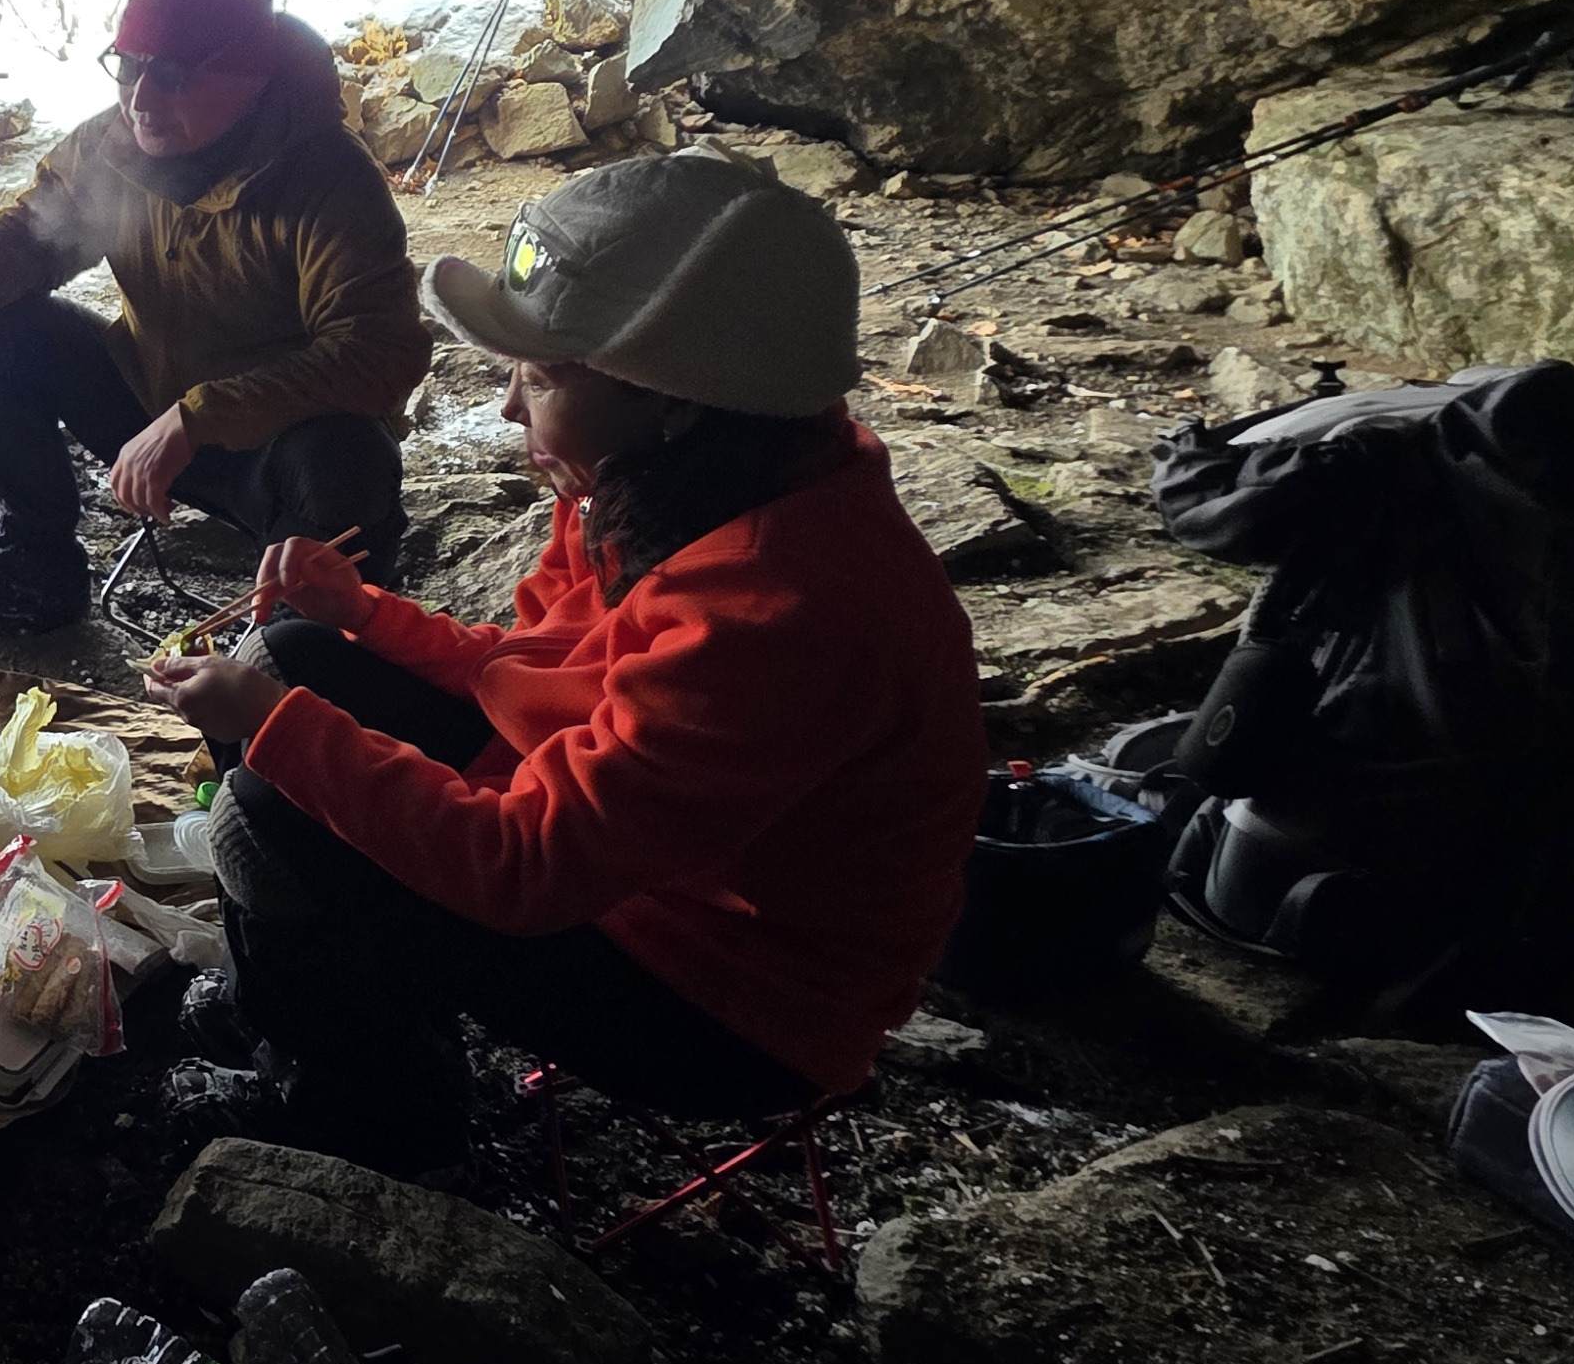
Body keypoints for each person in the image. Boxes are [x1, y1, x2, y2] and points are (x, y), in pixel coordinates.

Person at [142, 152, 983, 1180]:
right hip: (626, 862)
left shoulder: (777, 609)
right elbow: (531, 672)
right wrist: (360, 612)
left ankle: (368, 1118)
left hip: (722, 995)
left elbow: (526, 866)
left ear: (671, 400)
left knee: (268, 811)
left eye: (538, 378)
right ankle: (317, 997)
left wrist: (276, 727)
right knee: (291, 653)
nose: (507, 406)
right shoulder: (669, 484)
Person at [0, 0, 429, 632]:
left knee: (351, 455)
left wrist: (198, 417)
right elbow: (32, 238)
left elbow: (378, 354)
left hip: (278, 451)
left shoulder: (327, 179)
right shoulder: (114, 149)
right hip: (149, 409)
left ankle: (304, 630)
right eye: (128, 67)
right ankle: (31, 563)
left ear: (248, 76)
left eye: (170, 75)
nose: (141, 100)